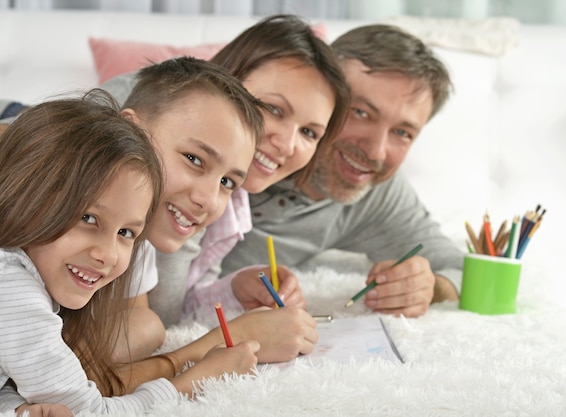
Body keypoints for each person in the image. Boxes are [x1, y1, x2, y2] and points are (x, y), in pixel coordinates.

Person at [102, 15, 350, 367]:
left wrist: (234, 290)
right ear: (229, 78)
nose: (287, 144)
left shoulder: (226, 201)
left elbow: (169, 308)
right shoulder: (122, 116)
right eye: (273, 109)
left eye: (309, 133)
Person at [0, 91, 259, 415]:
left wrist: (17, 409)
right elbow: (89, 412)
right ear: (27, 194)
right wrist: (190, 383)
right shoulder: (11, 286)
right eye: (88, 218)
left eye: (126, 233)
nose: (107, 254)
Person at [220, 23, 464, 317]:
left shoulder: (376, 193)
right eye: (360, 113)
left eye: (402, 132)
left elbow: (460, 269)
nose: (375, 151)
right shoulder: (227, 141)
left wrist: (429, 287)